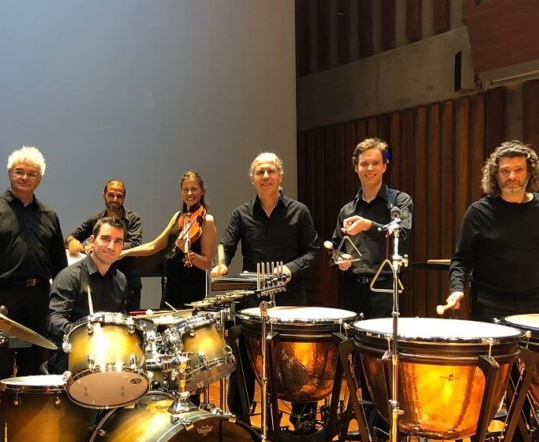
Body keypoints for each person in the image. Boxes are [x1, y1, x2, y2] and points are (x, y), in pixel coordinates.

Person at [0, 146, 67, 438]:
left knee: (35, 368)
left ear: (39, 178)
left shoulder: (49, 215)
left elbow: (60, 265)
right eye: (19, 171)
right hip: (1, 297)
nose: (25, 177)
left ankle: (29, 433)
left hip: (38, 298)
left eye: (32, 173)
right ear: (9, 173)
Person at [214, 151, 320, 425]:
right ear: (252, 178)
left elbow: (313, 252)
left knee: (297, 360)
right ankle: (240, 418)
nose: (265, 176)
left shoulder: (299, 211)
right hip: (253, 301)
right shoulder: (241, 214)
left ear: (280, 176)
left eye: (270, 171)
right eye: (259, 172)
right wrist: (221, 264)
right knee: (244, 358)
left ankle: (303, 419)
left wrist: (290, 268)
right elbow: (226, 245)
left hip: (290, 300)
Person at [446, 140, 539, 322]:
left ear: (530, 172)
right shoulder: (478, 212)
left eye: (519, 170)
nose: (512, 176)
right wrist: (457, 289)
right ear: (495, 175)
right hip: (489, 305)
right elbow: (461, 259)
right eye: (505, 171)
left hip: (533, 303)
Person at [331, 138, 413, 318]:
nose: (370, 168)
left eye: (375, 163)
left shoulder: (400, 201)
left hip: (386, 288)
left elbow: (402, 234)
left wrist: (368, 226)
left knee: (384, 337)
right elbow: (335, 247)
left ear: (384, 166)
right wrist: (340, 258)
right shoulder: (347, 210)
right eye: (364, 164)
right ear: (356, 168)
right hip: (352, 289)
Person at [121, 171, 216, 308]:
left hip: (192, 288)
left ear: (202, 191)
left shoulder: (207, 220)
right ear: (181, 192)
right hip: (171, 287)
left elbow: (207, 263)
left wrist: (187, 251)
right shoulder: (178, 216)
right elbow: (154, 246)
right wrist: (124, 253)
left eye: (194, 189)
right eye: (186, 189)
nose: (189, 193)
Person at [48, 217, 128, 373]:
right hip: (71, 359)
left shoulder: (121, 280)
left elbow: (120, 320)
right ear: (92, 241)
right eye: (106, 239)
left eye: (118, 241)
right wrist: (85, 334)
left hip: (108, 359)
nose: (111, 246)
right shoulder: (70, 276)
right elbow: (55, 320)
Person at [65, 179, 142, 311]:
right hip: (101, 283)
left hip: (128, 282)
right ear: (104, 195)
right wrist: (72, 241)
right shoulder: (96, 220)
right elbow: (71, 236)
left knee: (129, 322)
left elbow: (134, 244)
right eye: (111, 195)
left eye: (119, 196)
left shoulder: (133, 218)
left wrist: (99, 247)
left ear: (124, 197)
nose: (115, 199)